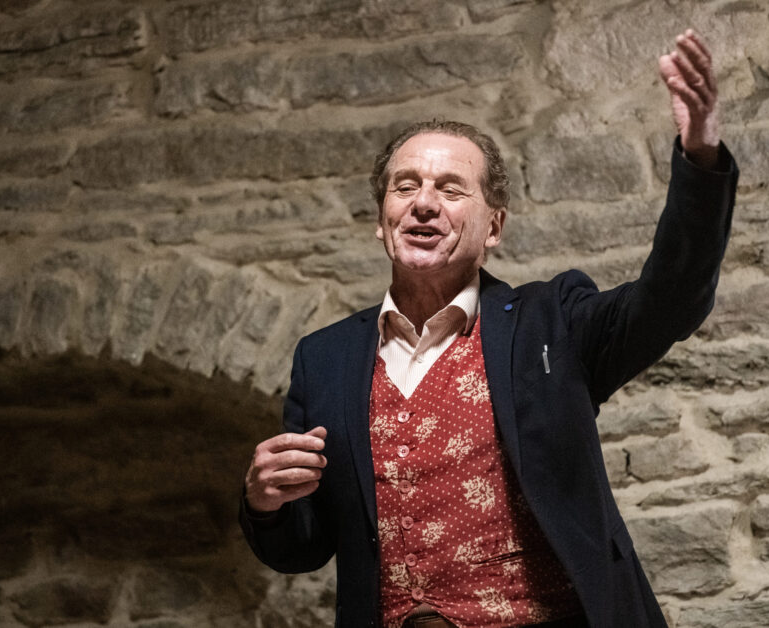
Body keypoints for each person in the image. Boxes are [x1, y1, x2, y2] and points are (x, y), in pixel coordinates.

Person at [240, 30, 739, 628]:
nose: (424, 203)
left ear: (494, 227)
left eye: (451, 189)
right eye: (405, 186)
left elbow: (673, 299)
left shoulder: (552, 322)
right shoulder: (323, 359)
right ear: (382, 220)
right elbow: (303, 547)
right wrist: (265, 502)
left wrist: (700, 158)